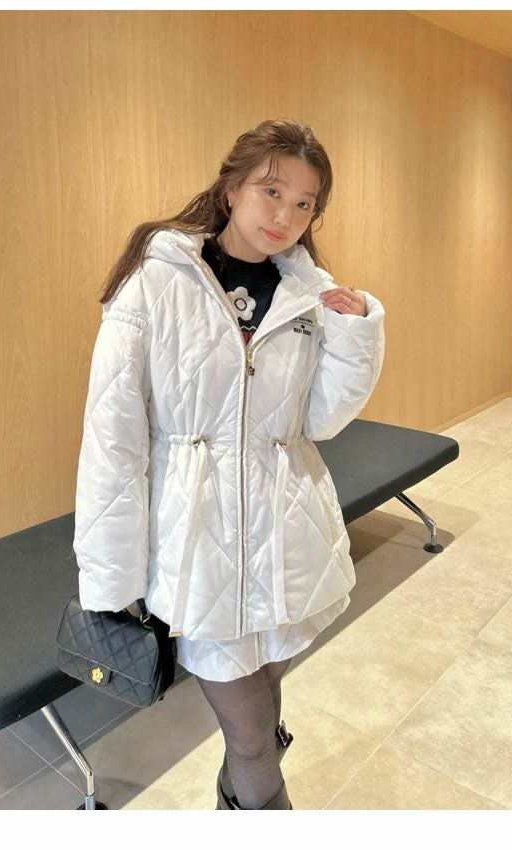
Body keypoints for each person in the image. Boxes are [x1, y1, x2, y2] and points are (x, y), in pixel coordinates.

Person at [72, 118, 386, 810]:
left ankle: (231, 797)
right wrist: (110, 572)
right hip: (199, 545)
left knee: (263, 708)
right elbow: (112, 435)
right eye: (272, 191)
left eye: (304, 203)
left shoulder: (307, 295)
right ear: (232, 187)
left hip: (286, 536)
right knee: (252, 741)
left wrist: (354, 333)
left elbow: (319, 421)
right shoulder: (157, 280)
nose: (286, 216)